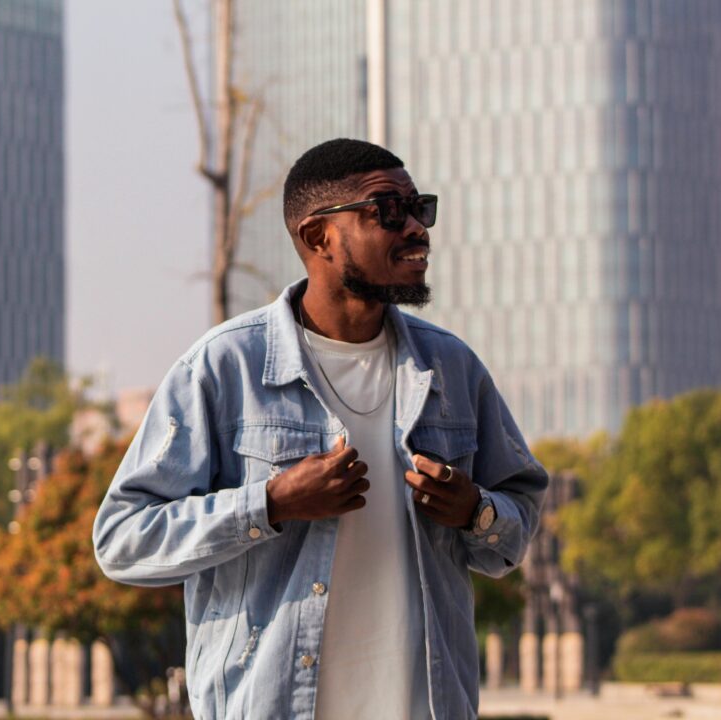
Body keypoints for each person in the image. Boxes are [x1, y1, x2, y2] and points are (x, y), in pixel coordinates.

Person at [94, 138, 548, 719]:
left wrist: (476, 512)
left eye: (420, 208)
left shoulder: (451, 369)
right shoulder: (225, 367)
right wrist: (270, 503)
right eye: (388, 210)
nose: (416, 228)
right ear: (318, 237)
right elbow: (122, 540)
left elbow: (517, 520)